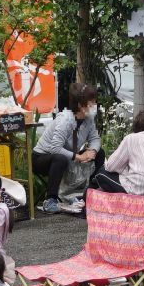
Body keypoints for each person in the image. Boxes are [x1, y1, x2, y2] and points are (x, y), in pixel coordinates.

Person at [32, 83, 101, 214]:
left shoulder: (89, 119)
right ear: (81, 105)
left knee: (100, 153)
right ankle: (50, 200)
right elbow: (55, 148)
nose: (94, 105)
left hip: (68, 155)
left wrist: (92, 151)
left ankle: (91, 192)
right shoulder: (65, 120)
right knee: (60, 159)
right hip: (41, 158)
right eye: (91, 103)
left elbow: (95, 139)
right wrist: (79, 157)